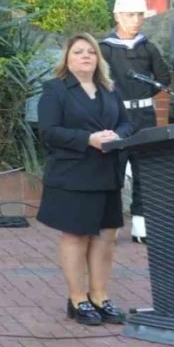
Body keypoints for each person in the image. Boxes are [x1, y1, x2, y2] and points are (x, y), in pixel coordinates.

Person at [36, 34, 133, 326]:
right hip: (73, 174)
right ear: (67, 58)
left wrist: (119, 136)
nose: (86, 56)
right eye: (78, 52)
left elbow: (127, 122)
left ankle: (100, 296)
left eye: (91, 52)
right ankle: (78, 298)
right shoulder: (55, 90)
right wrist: (87, 139)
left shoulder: (109, 89)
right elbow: (49, 131)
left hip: (106, 172)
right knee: (76, 236)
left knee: (106, 236)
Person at [98, 0, 170, 244]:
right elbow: (98, 83)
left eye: (140, 14)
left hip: (145, 115)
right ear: (118, 15)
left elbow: (163, 78)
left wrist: (142, 93)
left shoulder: (147, 47)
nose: (136, 20)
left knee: (145, 170)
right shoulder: (104, 49)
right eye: (130, 14)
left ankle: (140, 225)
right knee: (113, 170)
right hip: (117, 117)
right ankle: (111, 223)